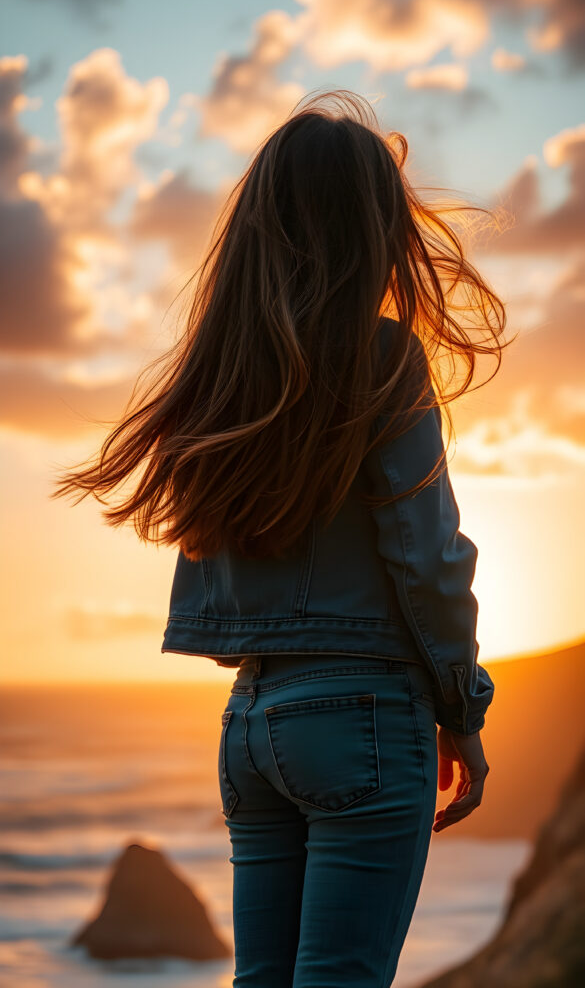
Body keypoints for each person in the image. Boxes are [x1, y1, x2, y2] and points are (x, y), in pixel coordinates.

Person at [51, 89, 512, 987]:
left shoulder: (217, 377)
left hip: (251, 727)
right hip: (366, 719)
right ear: (374, 230)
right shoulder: (383, 358)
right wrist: (463, 708)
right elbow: (428, 555)